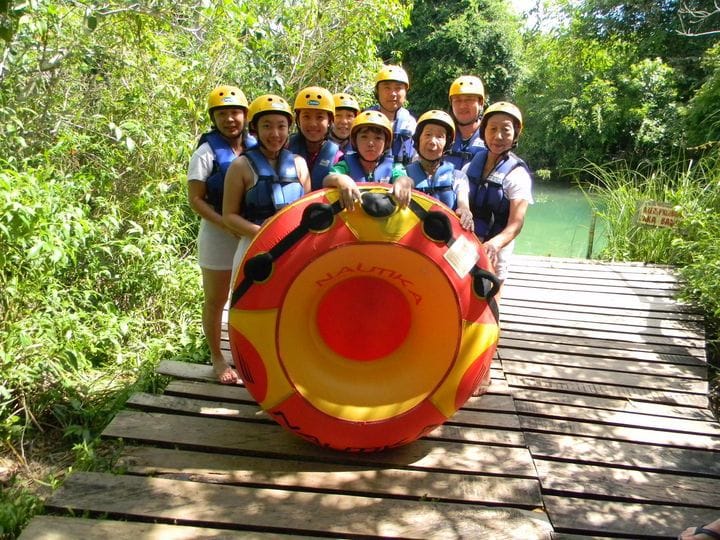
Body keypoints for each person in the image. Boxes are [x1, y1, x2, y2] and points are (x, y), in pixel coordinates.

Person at [187, 85, 255, 385]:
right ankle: (217, 357)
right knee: (216, 300)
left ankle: (249, 357)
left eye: (235, 112)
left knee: (249, 299)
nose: (230, 119)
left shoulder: (257, 146)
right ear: (214, 118)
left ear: (245, 115)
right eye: (223, 113)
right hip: (218, 232)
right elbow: (196, 198)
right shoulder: (206, 151)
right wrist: (223, 222)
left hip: (249, 230)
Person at [222, 94, 311, 277]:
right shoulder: (240, 166)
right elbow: (229, 216)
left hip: (293, 246)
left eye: (281, 126)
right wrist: (264, 233)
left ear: (289, 129)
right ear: (255, 128)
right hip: (254, 245)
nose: (275, 134)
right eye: (267, 126)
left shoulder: (299, 164)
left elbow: (306, 209)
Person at [463, 101, 533, 290]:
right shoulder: (469, 167)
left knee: (489, 295)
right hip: (468, 241)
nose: (498, 136)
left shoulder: (517, 175)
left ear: (515, 134)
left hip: (496, 244)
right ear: (484, 132)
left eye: (506, 130)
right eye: (492, 129)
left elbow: (516, 224)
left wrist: (495, 244)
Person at [323, 110, 413, 210]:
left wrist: (404, 181)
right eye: (364, 137)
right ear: (354, 141)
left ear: (386, 143)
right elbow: (328, 179)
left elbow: (405, 178)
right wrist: (341, 180)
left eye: (378, 138)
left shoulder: (394, 167)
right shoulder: (345, 165)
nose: (370, 143)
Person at [404, 110, 474, 231]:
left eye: (440, 136)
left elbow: (463, 204)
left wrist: (465, 211)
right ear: (418, 139)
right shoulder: (404, 174)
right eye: (427, 134)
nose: (432, 141)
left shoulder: (458, 177)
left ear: (447, 144)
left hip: (443, 240)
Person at [288, 86, 342, 191]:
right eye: (306, 117)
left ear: (329, 122)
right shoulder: (285, 149)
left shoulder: (338, 158)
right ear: (298, 120)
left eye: (320, 117)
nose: (313, 124)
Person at [367, 65, 416, 165]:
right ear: (377, 92)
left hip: (403, 176)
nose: (393, 93)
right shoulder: (364, 121)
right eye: (387, 88)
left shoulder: (411, 124)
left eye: (398, 88)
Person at [446, 75, 486, 169]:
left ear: (480, 103)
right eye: (457, 100)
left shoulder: (491, 136)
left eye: (469, 99)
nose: (463, 106)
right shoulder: (443, 135)